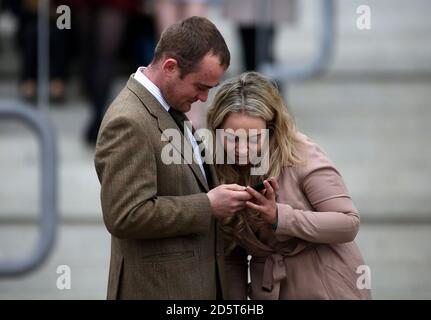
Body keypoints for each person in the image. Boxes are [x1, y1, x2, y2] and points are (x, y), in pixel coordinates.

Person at [94, 16, 252, 299]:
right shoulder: (129, 121)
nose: (204, 98)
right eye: (200, 86)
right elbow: (126, 215)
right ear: (170, 67)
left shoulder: (165, 103)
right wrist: (208, 206)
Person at [206, 71, 372, 300]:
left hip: (326, 286)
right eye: (232, 138)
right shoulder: (215, 167)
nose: (242, 149)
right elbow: (231, 253)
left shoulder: (302, 155)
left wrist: (279, 218)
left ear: (271, 130)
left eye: (254, 138)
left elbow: (348, 223)